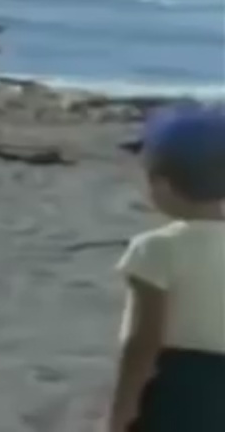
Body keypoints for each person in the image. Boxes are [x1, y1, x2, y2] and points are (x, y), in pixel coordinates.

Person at [105, 105, 225, 432]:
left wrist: (120, 414)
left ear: (162, 185)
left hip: (177, 391)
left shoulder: (155, 248)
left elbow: (142, 341)